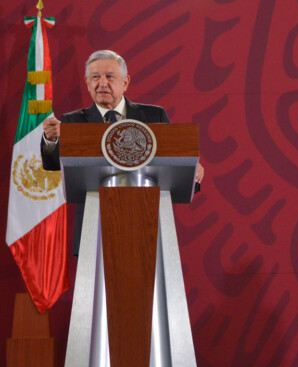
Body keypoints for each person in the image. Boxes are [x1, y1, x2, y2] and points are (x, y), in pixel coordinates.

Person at [40, 49, 204, 254]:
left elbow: (173, 160)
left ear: (125, 82)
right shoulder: (73, 121)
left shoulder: (154, 115)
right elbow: (54, 165)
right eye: (95, 77)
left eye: (109, 76)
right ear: (87, 82)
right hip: (94, 227)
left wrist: (191, 168)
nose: (102, 83)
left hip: (147, 224)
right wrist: (51, 140)